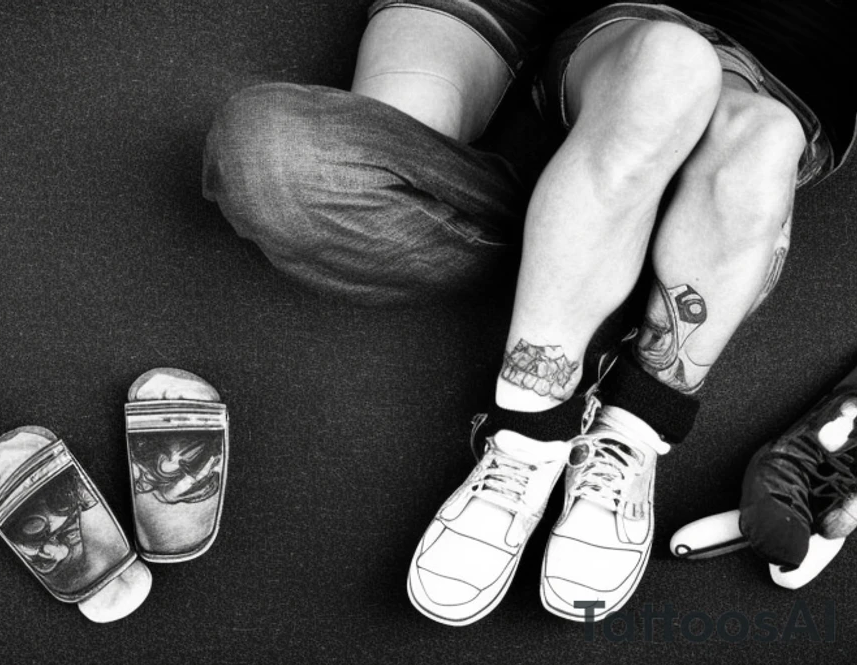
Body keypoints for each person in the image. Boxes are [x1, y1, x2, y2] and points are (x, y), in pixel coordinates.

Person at [202, 0, 856, 625]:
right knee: (669, 63)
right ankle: (533, 423)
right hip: (640, 43)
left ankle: (633, 420)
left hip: (789, 83)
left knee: (763, 138)